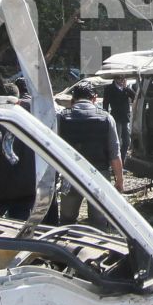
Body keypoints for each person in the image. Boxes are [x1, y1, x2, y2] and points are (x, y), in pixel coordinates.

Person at [57, 81, 126, 223]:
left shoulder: (61, 117)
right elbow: (115, 153)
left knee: (66, 219)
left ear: (72, 99)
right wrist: (119, 180)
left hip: (71, 174)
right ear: (94, 98)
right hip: (99, 175)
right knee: (99, 220)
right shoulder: (106, 118)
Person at [102, 76, 134, 152]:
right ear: (115, 79)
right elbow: (105, 103)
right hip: (116, 117)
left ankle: (122, 159)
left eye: (123, 78)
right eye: (120, 78)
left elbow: (134, 96)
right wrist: (106, 116)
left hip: (125, 118)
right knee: (117, 140)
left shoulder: (125, 89)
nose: (122, 80)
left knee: (126, 142)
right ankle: (116, 159)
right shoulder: (109, 88)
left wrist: (126, 88)